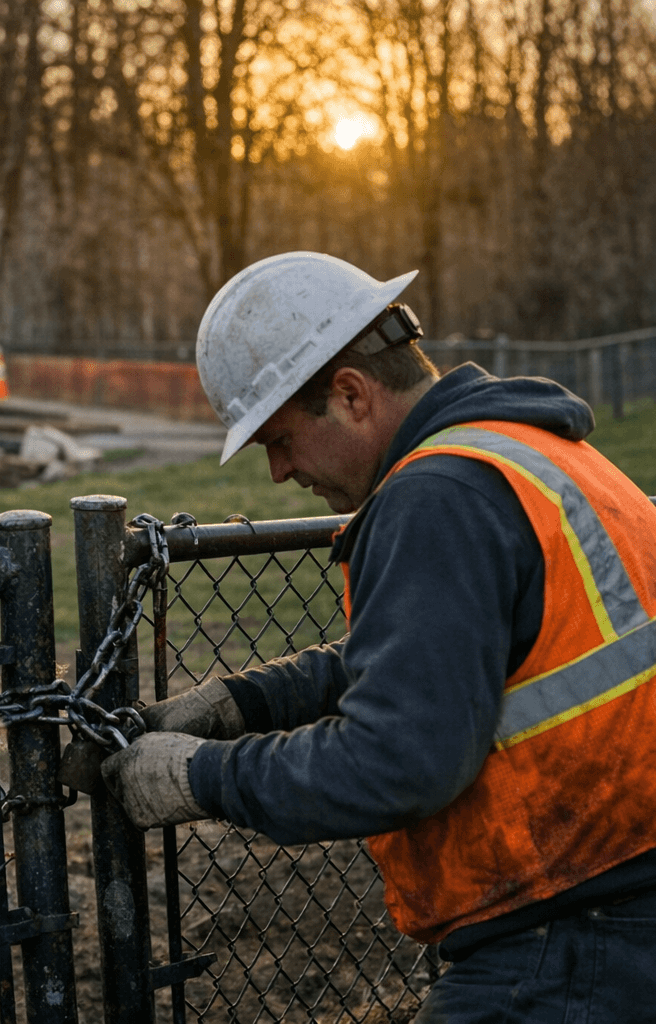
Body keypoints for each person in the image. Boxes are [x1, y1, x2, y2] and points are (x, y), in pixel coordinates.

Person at [91, 251, 656, 1021]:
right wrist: (241, 702)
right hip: (615, 898)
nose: (280, 475)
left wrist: (200, 778)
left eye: (278, 440)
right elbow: (444, 659)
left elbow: (396, 762)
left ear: (351, 395)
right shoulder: (532, 454)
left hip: (570, 939)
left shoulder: (436, 497)